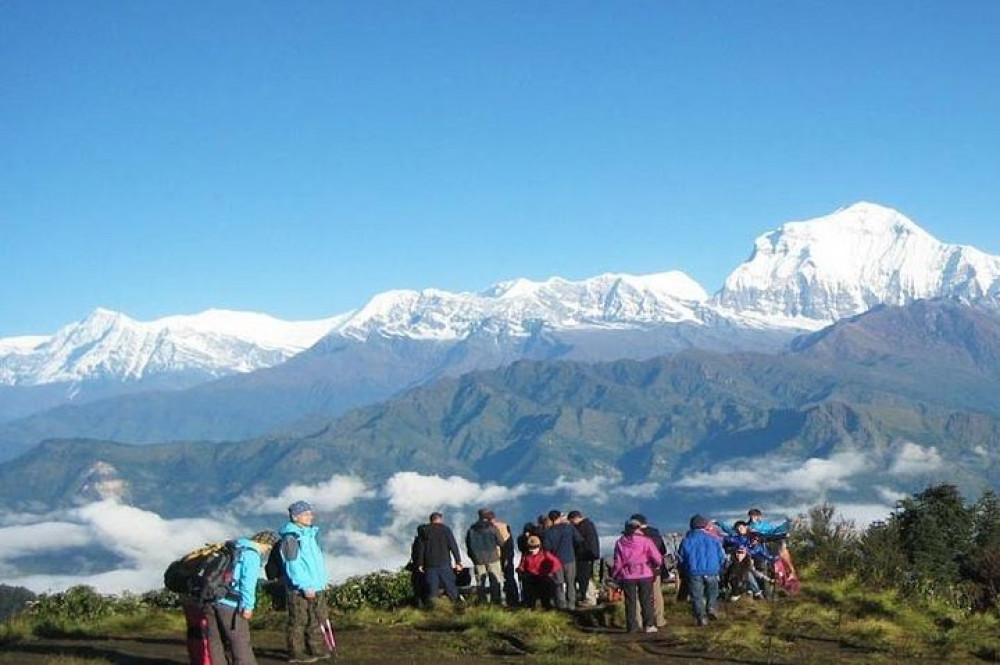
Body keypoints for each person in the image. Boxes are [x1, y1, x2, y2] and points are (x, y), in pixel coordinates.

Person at [205, 530, 279, 665]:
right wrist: (248, 606)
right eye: (269, 547)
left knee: (215, 641)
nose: (267, 551)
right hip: (230, 604)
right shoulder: (251, 554)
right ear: (265, 544)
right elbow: (247, 583)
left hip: (211, 598)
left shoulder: (233, 547)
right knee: (240, 643)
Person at [278, 501, 332, 664]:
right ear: (296, 517)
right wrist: (304, 585)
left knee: (315, 618)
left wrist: (320, 583)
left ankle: (314, 647)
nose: (311, 517)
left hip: (316, 585)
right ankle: (296, 652)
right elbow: (293, 565)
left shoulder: (308, 535)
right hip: (300, 588)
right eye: (306, 514)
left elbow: (314, 563)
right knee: (299, 620)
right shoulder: (291, 538)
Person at [610, 519, 664, 633]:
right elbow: (657, 557)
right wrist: (657, 564)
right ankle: (648, 625)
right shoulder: (646, 541)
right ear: (638, 528)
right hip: (645, 573)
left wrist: (615, 574)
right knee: (646, 600)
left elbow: (618, 561)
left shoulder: (620, 542)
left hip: (628, 575)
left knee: (630, 601)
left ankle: (632, 626)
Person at [678, 514, 727, 627]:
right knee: (713, 592)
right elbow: (721, 556)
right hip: (712, 570)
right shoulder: (714, 540)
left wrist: (684, 569)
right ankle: (711, 608)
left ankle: (701, 617)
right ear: (704, 526)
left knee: (697, 596)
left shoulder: (686, 540)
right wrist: (719, 567)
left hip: (694, 571)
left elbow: (681, 557)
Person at [415, 512, 464, 605]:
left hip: (429, 564)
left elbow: (420, 549)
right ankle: (458, 607)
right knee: (450, 586)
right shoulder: (445, 529)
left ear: (431, 520)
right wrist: (458, 561)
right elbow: (453, 546)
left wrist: (420, 564)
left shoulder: (424, 531)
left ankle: (433, 609)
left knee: (432, 589)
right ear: (440, 519)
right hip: (444, 563)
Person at [630, 513, 668, 627]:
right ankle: (659, 619)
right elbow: (663, 551)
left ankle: (638, 621)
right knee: (656, 595)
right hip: (653, 569)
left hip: (634, 571)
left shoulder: (630, 535)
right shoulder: (655, 534)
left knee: (637, 597)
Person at [542, 510, 583, 609]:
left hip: (556, 562)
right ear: (559, 517)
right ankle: (571, 604)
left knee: (559, 584)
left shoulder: (548, 532)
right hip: (570, 558)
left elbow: (546, 547)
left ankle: (561, 605)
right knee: (570, 583)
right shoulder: (569, 527)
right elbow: (579, 539)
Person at [466, 508, 505, 605]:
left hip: (478, 559)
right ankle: (496, 601)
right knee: (495, 580)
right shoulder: (492, 528)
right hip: (493, 558)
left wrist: (473, 557)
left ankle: (482, 601)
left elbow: (469, 545)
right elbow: (501, 543)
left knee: (480, 582)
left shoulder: (471, 529)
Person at [516, 534, 562, 609]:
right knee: (530, 601)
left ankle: (547, 613)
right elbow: (522, 565)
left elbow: (557, 564)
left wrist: (549, 572)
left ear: (539, 547)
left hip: (542, 579)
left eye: (534, 548)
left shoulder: (546, 554)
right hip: (531, 580)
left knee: (545, 601)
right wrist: (519, 570)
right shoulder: (526, 555)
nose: (531, 550)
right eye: (530, 548)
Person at [568, 510, 600, 606]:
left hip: (584, 556)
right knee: (586, 577)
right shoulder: (589, 525)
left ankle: (588, 598)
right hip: (589, 555)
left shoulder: (582, 527)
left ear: (575, 518)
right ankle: (588, 597)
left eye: (571, 521)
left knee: (584, 577)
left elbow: (580, 542)